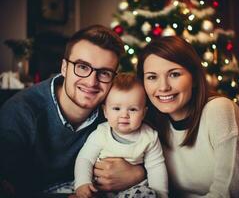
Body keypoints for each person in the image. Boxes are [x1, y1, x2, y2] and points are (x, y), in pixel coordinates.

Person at [0, 25, 146, 197]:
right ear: (64, 68)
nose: (91, 82)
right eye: (82, 67)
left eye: (104, 73)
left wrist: (138, 174)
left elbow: (148, 147)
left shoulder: (116, 111)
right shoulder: (21, 112)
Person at [137, 35, 239, 197]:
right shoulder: (148, 124)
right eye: (152, 77)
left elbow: (226, 193)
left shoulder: (220, 110)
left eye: (174, 74)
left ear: (195, 79)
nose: (163, 87)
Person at [74, 73, 168, 198]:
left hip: (132, 191)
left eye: (133, 109)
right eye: (117, 109)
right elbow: (85, 159)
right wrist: (82, 183)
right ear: (105, 111)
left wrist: (161, 194)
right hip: (97, 188)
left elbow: (156, 167)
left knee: (148, 194)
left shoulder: (149, 137)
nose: (124, 115)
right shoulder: (101, 133)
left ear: (144, 113)